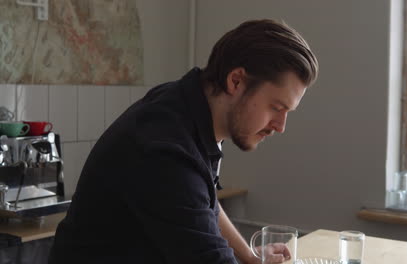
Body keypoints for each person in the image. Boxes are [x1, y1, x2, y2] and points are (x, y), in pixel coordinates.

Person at [49, 19, 318, 264]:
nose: (280, 126)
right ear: (236, 81)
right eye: (276, 107)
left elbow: (204, 201)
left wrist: (249, 258)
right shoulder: (165, 151)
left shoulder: (191, 106)